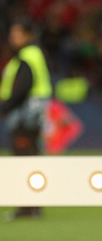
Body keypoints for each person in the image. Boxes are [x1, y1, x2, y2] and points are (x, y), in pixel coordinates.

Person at [1, 19, 52, 220]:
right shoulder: (30, 55)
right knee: (29, 158)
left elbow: (22, 87)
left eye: (17, 34)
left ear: (28, 35)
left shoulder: (28, 56)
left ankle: (28, 208)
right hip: (32, 117)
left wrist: (6, 106)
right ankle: (31, 207)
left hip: (26, 117)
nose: (13, 38)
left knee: (24, 161)